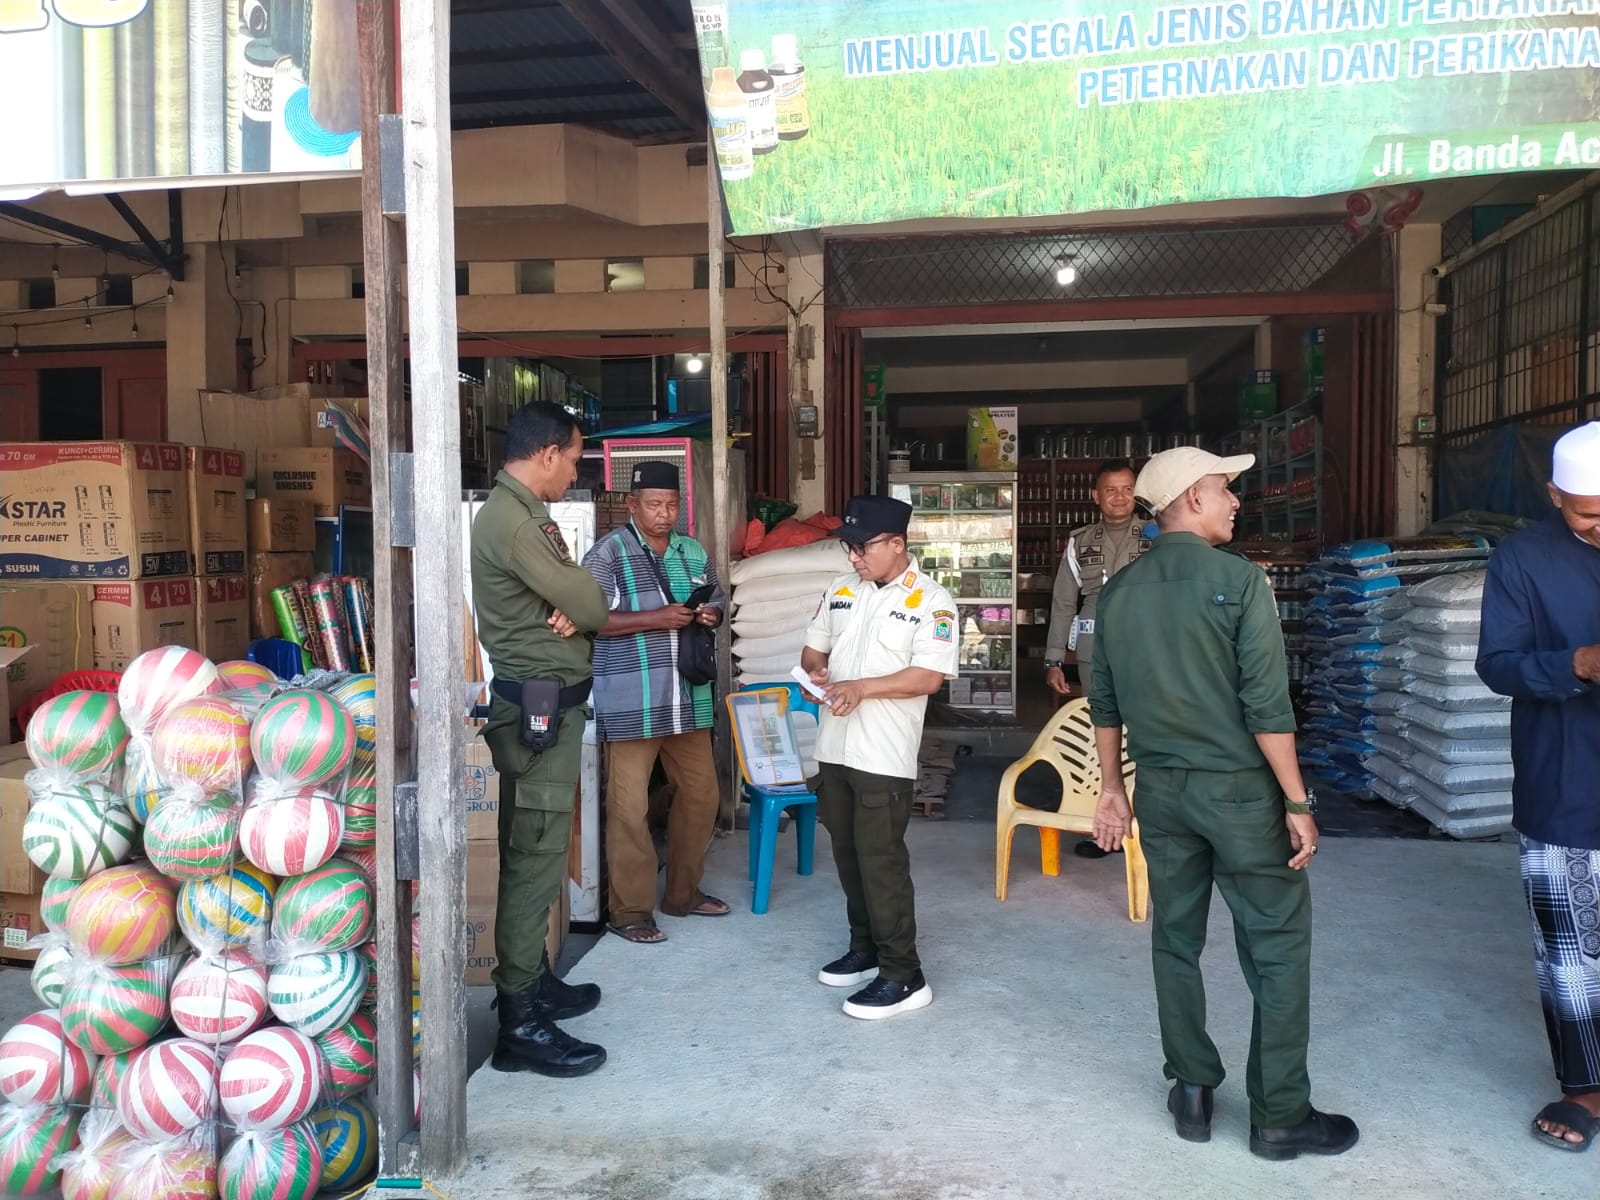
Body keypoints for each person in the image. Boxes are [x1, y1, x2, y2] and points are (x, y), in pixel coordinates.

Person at [1087, 446, 1358, 1160]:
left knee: (1175, 938)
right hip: (1239, 792)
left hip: (1162, 792)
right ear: (1191, 498)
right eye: (1225, 489)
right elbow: (1267, 707)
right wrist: (1297, 800)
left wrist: (1113, 791)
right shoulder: (1239, 581)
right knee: (1277, 945)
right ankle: (1280, 1115)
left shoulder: (1119, 592)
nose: (1237, 501)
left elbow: (1104, 704)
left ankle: (1192, 1090)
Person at [470, 401, 609, 1078]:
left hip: (543, 710)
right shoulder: (518, 523)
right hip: (539, 716)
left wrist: (574, 607)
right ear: (548, 453)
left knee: (540, 851)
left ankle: (532, 980)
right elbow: (594, 605)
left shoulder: (518, 513)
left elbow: (580, 604)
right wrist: (577, 609)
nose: (575, 472)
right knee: (533, 858)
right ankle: (520, 1021)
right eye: (575, 458)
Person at [1476, 421, 1600, 1154]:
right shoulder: (1522, 560)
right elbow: (1497, 663)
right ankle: (1584, 1088)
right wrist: (1576, 665)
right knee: (1570, 947)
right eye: (1588, 514)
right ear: (1554, 495)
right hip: (1567, 775)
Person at [801, 495, 959, 1020]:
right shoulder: (841, 589)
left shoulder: (931, 601)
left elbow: (927, 677)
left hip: (883, 756)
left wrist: (862, 687)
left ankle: (904, 974)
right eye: (847, 548)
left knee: (881, 863)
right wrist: (816, 671)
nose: (853, 558)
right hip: (834, 748)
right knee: (848, 856)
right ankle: (865, 948)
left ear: (896, 543)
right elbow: (814, 647)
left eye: (862, 547)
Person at [582, 460, 729, 944]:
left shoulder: (692, 550)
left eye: (670, 505)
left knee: (703, 796)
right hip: (633, 699)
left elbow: (719, 597)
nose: (664, 513)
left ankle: (683, 894)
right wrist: (656, 618)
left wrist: (710, 614)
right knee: (629, 809)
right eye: (653, 505)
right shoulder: (608, 553)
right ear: (632, 504)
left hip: (687, 698)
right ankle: (630, 911)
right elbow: (590, 619)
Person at [1042, 458, 1151, 860]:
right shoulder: (1079, 541)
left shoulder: (1158, 535)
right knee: (1099, 733)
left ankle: (1146, 826)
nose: (1120, 497)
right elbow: (1063, 603)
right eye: (1110, 490)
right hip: (1094, 648)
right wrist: (1054, 659)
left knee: (1146, 732)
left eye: (1127, 489)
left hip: (1147, 647)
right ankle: (1103, 828)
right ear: (1095, 496)